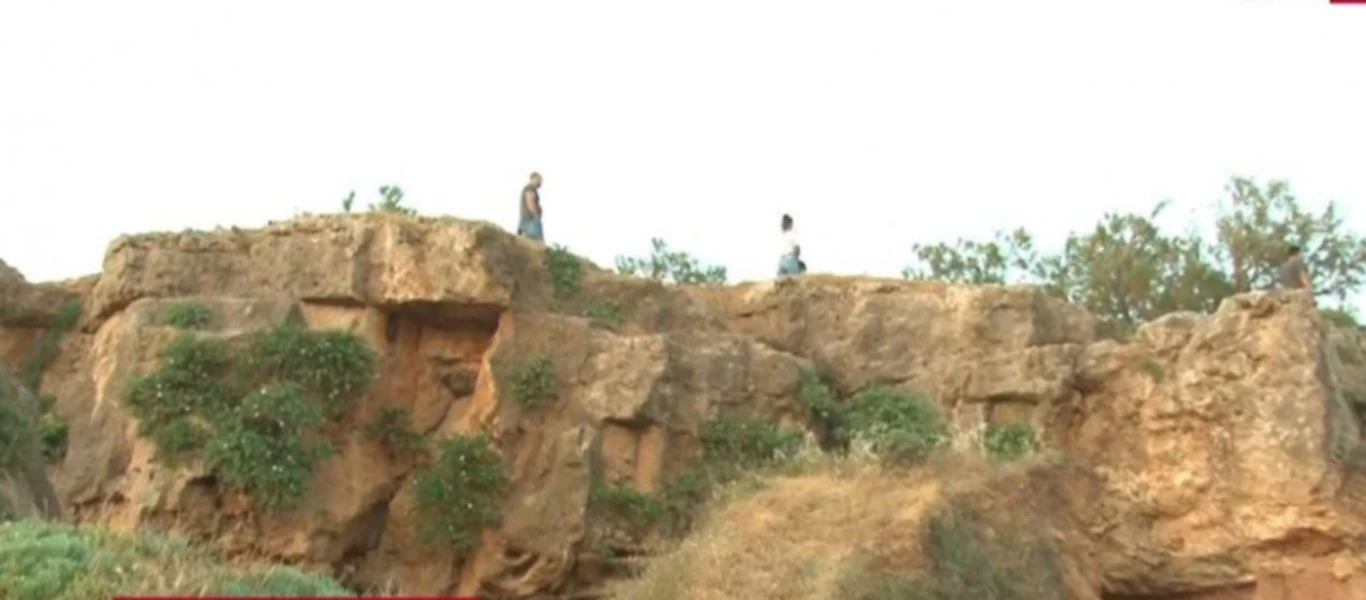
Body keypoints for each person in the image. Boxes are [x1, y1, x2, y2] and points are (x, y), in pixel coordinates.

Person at [517, 172, 544, 242]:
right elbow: (530, 202)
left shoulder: (528, 188)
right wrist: (536, 216)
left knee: (525, 243)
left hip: (526, 220)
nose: (541, 182)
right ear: (535, 178)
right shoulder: (530, 187)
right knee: (538, 244)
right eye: (540, 180)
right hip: (531, 220)